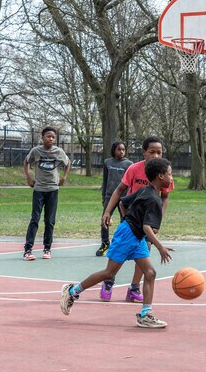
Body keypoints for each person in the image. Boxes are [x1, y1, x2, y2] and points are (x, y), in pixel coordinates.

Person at [60, 157, 174, 328]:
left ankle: (145, 315)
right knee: (108, 273)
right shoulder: (154, 200)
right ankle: (72, 292)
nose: (172, 178)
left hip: (135, 236)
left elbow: (123, 203)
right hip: (130, 235)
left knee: (150, 273)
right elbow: (147, 227)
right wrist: (160, 247)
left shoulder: (145, 190)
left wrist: (128, 220)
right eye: (170, 174)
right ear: (160, 176)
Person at [99, 136, 174, 303]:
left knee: (144, 253)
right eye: (152, 152)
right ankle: (109, 280)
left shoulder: (164, 173)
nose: (156, 155)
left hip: (148, 219)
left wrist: (157, 219)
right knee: (120, 253)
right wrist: (108, 212)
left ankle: (133, 288)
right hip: (132, 218)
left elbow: (165, 197)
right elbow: (119, 191)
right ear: (144, 153)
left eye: (159, 152)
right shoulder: (134, 169)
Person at [22, 126, 70, 261]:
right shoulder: (36, 151)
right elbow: (26, 162)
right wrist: (28, 177)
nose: (51, 139)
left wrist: (64, 177)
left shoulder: (58, 152)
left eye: (53, 137)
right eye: (48, 136)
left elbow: (67, 163)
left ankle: (47, 249)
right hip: (39, 190)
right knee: (35, 219)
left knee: (49, 221)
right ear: (42, 137)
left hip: (53, 190)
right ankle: (28, 250)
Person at [96, 141, 133, 256]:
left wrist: (130, 198)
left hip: (124, 198)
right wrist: (104, 197)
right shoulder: (107, 162)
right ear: (113, 150)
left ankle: (124, 244)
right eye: (119, 149)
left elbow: (131, 183)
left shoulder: (129, 164)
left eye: (123, 149)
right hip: (109, 196)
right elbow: (105, 181)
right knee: (104, 220)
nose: (121, 152)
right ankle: (105, 243)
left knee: (125, 222)